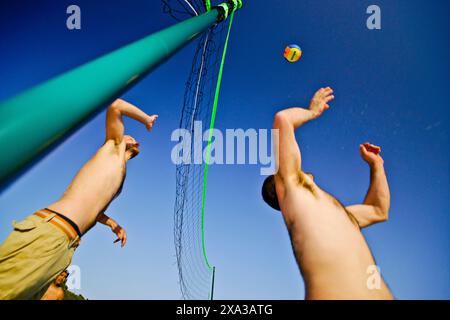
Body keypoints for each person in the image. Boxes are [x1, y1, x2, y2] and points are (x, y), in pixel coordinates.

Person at [0, 99, 158, 300]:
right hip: (53, 230)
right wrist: (146, 119)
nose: (127, 134)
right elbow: (116, 105)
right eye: (128, 133)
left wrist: (113, 224)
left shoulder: (119, 174)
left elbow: (94, 210)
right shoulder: (112, 146)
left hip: (65, 245)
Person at [262, 87, 393, 299]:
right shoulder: (293, 188)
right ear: (279, 185)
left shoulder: (336, 212)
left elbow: (378, 210)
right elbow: (283, 120)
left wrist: (377, 165)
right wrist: (312, 112)